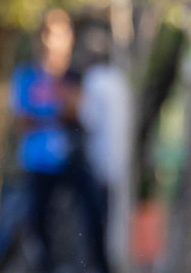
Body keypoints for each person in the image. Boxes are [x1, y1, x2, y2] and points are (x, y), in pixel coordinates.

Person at [8, 9, 107, 273]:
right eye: (48, 33)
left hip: (73, 158)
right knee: (37, 220)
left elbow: (79, 112)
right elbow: (23, 121)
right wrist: (58, 111)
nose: (52, 40)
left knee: (93, 211)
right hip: (38, 160)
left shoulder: (76, 77)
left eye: (60, 33)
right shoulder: (26, 76)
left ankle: (100, 265)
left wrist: (53, 112)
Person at [77, 25, 132, 265]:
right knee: (109, 222)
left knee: (94, 224)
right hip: (118, 163)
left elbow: (87, 120)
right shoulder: (119, 81)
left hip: (98, 163)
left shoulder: (94, 80)